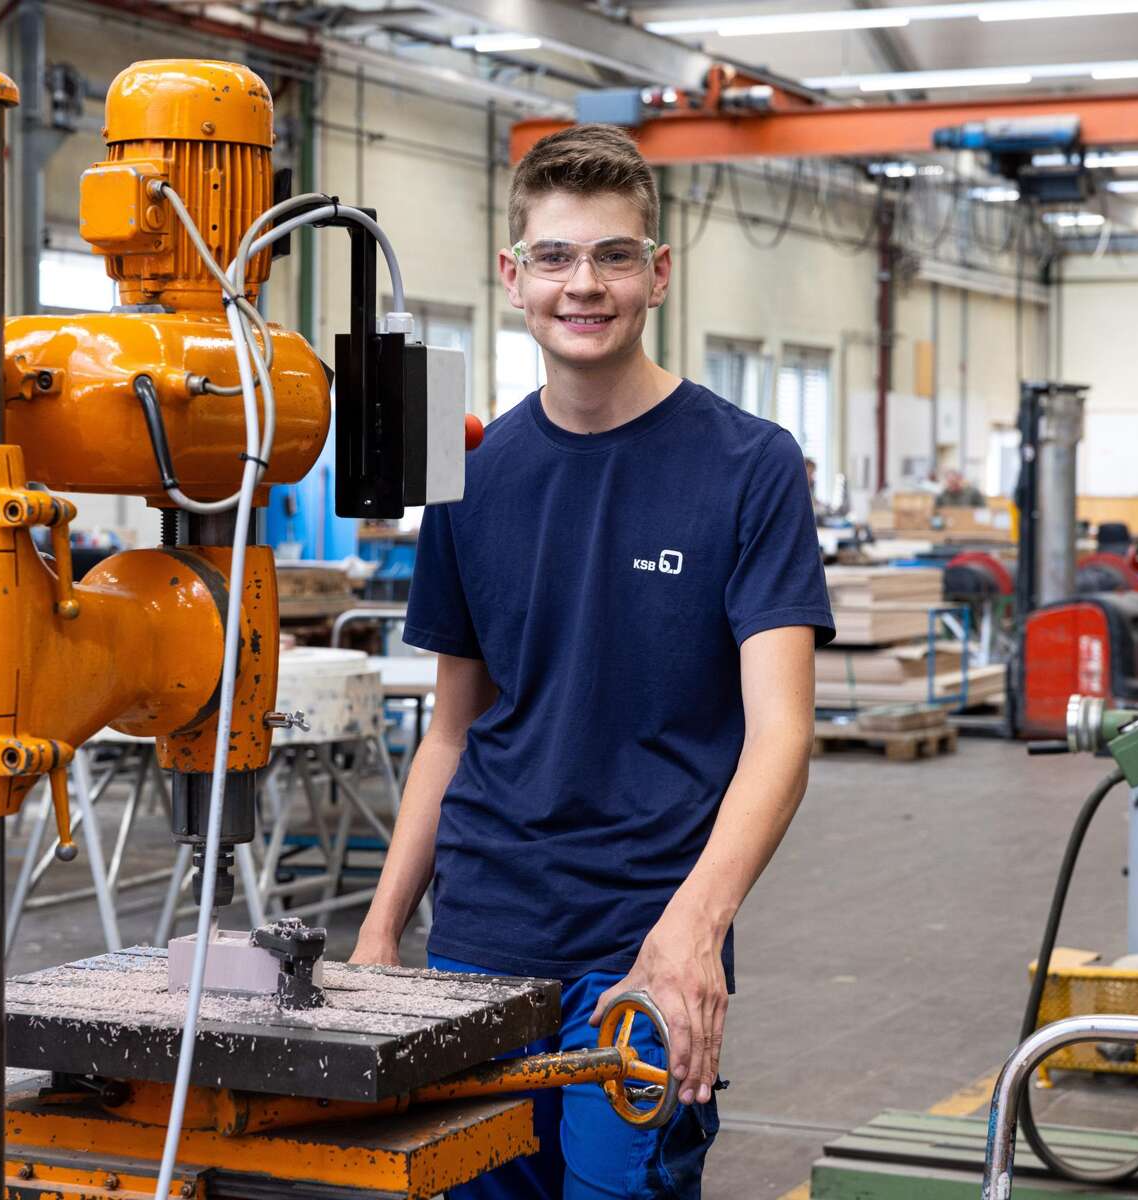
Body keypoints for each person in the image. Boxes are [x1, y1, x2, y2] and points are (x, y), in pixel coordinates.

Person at [350, 124, 834, 1200]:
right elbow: (452, 734)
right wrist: (381, 934)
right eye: (559, 258)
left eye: (615, 256)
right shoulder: (470, 476)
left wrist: (694, 932)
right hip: (480, 937)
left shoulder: (749, 467)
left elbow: (782, 735)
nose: (587, 284)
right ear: (513, 277)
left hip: (644, 940)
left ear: (657, 274)